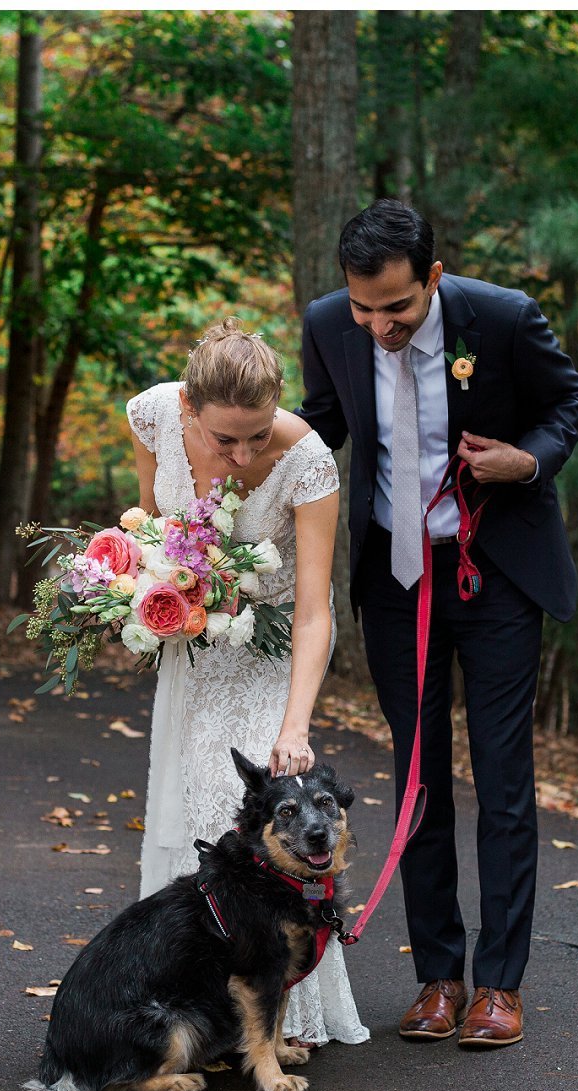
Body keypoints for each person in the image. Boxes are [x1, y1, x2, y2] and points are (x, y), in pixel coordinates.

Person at [296, 199, 578, 1050]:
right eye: (363, 308)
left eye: (397, 307)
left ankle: (499, 985)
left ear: (432, 276)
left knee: (501, 779)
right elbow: (323, 429)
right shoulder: (329, 323)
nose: (379, 325)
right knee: (417, 774)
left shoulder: (501, 317)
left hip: (494, 571)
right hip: (394, 579)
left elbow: (568, 401)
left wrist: (526, 460)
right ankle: (437, 978)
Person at [125, 317, 363, 1048]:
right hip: (193, 650)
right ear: (190, 409)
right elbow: (150, 533)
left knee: (242, 819)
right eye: (226, 438)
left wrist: (295, 727)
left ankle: (282, 1015)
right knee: (184, 817)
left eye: (257, 435)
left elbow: (316, 610)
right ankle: (192, 1005)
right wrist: (151, 587)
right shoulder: (154, 414)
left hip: (267, 657)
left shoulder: (309, 461)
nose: (243, 453)